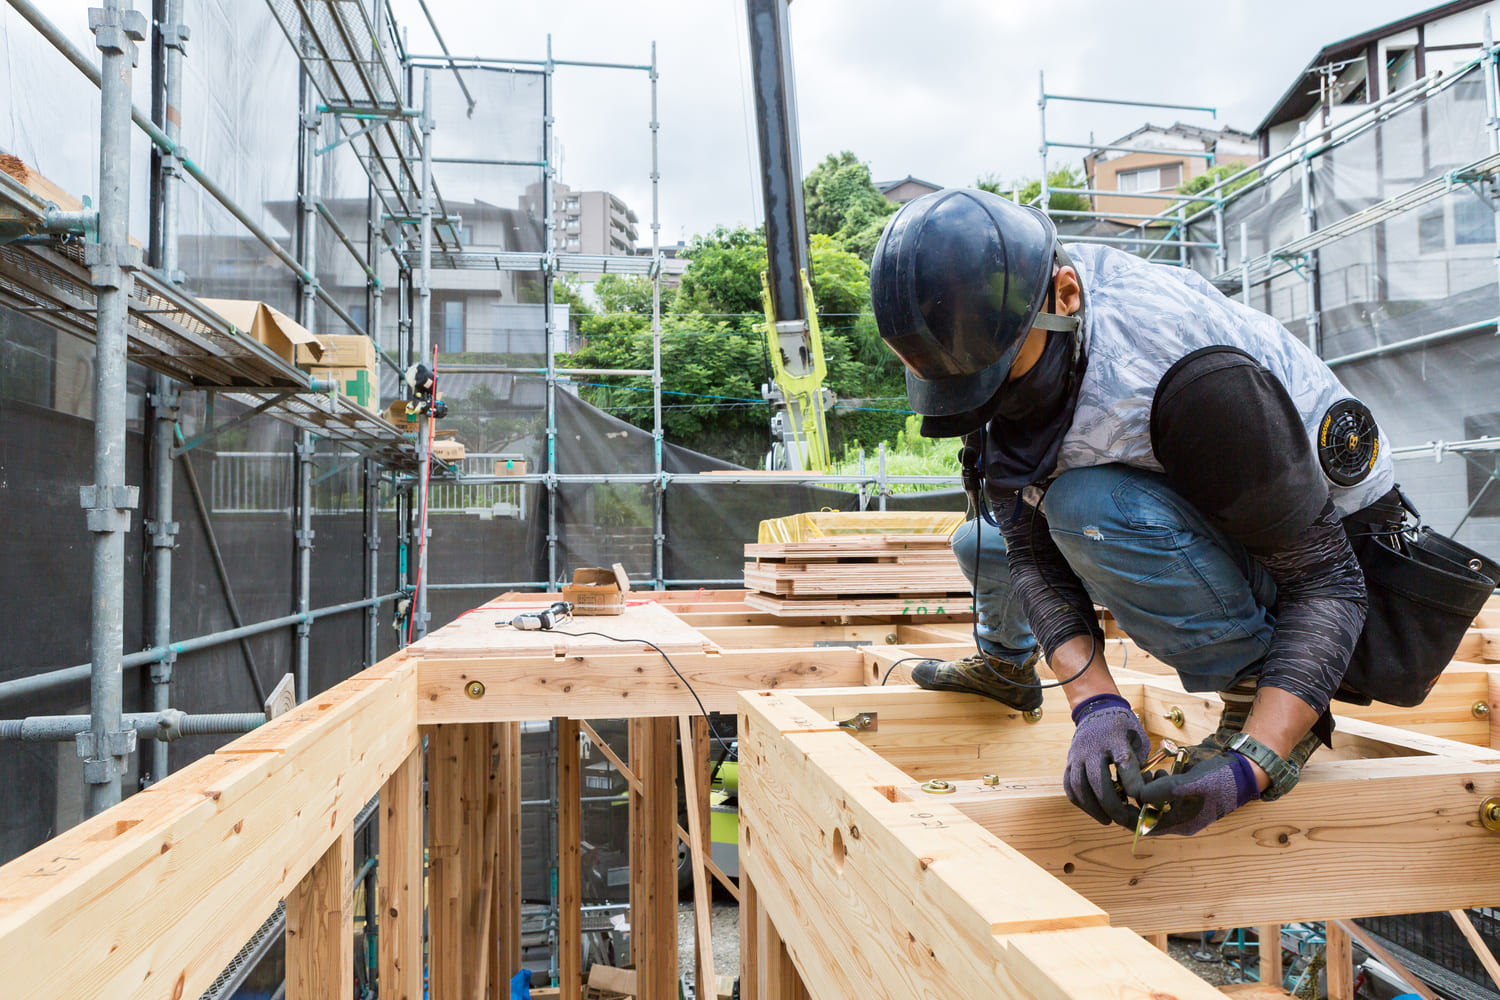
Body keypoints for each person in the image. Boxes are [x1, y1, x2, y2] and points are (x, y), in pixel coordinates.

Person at [869, 188, 1396, 836]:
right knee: (984, 541)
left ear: (1066, 296)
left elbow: (1328, 584)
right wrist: (1094, 703)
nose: (993, 399)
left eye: (1003, 374)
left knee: (1090, 507)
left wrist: (1253, 761)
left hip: (1328, 557)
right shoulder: (1001, 337)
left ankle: (1255, 687)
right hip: (1208, 509)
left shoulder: (1186, 377)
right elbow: (1027, 549)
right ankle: (1008, 667)